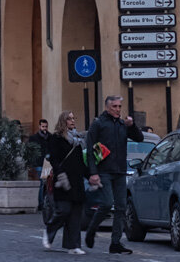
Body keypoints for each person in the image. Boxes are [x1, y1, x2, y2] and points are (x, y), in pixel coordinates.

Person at [83, 94, 144, 254]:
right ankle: (91, 230)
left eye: (119, 107)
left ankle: (115, 243)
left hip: (120, 171)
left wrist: (132, 125)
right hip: (103, 171)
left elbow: (139, 138)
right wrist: (93, 173)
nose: (117, 109)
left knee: (121, 207)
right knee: (106, 203)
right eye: (114, 107)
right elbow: (90, 149)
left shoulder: (123, 125)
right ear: (107, 107)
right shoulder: (98, 124)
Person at [42, 110, 87, 255]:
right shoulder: (56, 138)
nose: (72, 121)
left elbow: (81, 162)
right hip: (63, 180)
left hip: (77, 181)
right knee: (63, 210)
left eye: (73, 118)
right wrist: (60, 173)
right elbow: (53, 158)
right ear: (63, 121)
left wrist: (92, 175)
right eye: (69, 119)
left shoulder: (78, 140)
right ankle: (49, 231)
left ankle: (73, 245)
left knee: (75, 214)